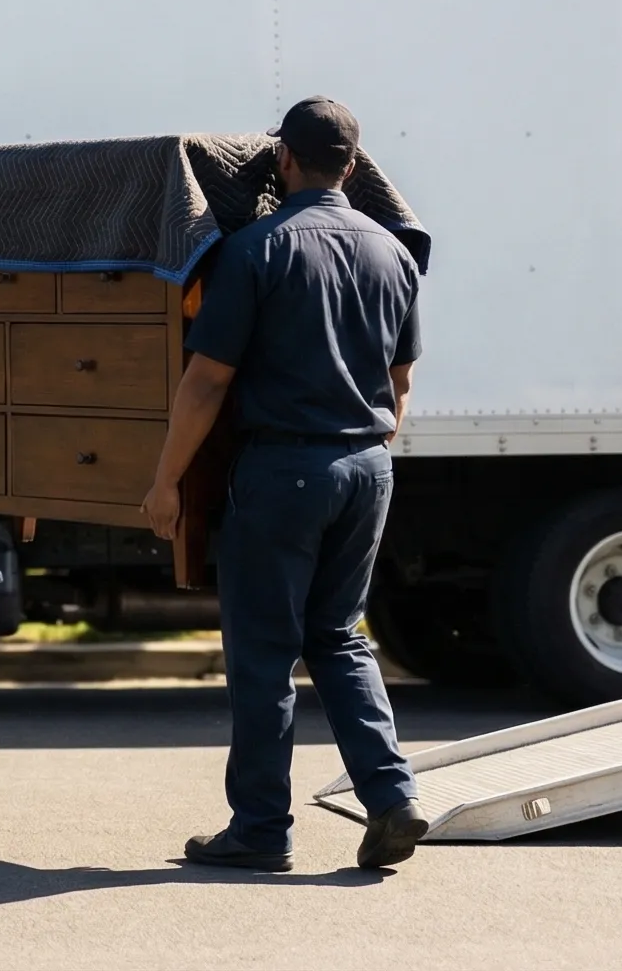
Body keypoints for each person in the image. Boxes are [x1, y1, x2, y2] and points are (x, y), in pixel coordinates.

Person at [141, 97, 430, 873]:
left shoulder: (257, 252)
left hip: (284, 472)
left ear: (284, 162)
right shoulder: (392, 251)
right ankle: (393, 798)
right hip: (367, 467)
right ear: (352, 166)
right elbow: (401, 381)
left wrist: (166, 481)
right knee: (339, 637)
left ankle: (262, 829)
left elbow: (205, 383)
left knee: (265, 654)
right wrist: (369, 443)